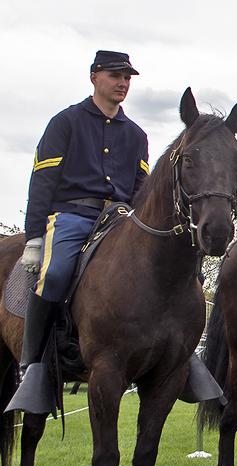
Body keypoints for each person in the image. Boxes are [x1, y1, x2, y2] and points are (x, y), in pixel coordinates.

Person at [8, 50, 148, 414]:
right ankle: (33, 364)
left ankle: (179, 357)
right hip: (72, 216)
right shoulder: (65, 122)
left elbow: (142, 189)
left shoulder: (137, 134)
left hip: (120, 219)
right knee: (53, 274)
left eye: (127, 77)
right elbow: (42, 181)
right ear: (94, 77)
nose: (123, 83)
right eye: (116, 75)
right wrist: (35, 237)